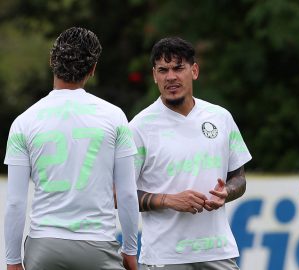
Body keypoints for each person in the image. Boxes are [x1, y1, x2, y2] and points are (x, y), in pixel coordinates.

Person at [4, 27, 139, 270]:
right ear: (93, 68)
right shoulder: (115, 117)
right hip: (98, 244)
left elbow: (15, 201)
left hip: (44, 245)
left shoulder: (23, 122)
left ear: (51, 62)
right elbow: (128, 193)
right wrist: (130, 249)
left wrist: (13, 260)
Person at [129, 37, 252, 270]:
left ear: (194, 71)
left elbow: (240, 178)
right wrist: (169, 200)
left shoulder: (220, 117)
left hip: (217, 252)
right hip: (164, 257)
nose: (171, 77)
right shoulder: (139, 127)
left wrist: (226, 191)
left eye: (178, 68)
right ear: (154, 75)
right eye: (163, 70)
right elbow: (119, 194)